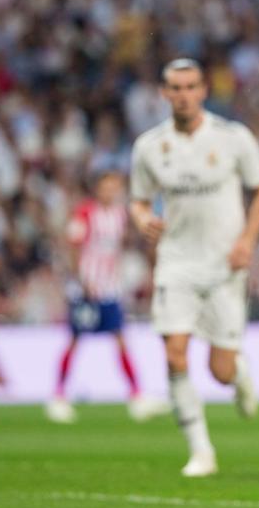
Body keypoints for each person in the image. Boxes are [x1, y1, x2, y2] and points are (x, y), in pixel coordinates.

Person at [130, 58, 259, 477]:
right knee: (175, 353)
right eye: (174, 87)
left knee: (220, 370)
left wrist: (247, 240)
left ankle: (239, 371)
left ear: (203, 90)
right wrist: (143, 220)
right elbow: (138, 200)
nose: (183, 94)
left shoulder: (233, 138)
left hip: (224, 265)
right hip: (175, 263)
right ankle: (201, 451)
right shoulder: (149, 146)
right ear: (164, 93)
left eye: (190, 86)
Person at [46, 171, 169, 423]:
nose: (111, 192)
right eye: (107, 187)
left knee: (121, 338)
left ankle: (136, 396)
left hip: (110, 288)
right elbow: (72, 246)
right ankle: (58, 396)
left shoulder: (119, 215)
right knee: (75, 338)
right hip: (86, 289)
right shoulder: (85, 213)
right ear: (97, 189)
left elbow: (118, 249)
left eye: (115, 187)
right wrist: (82, 280)